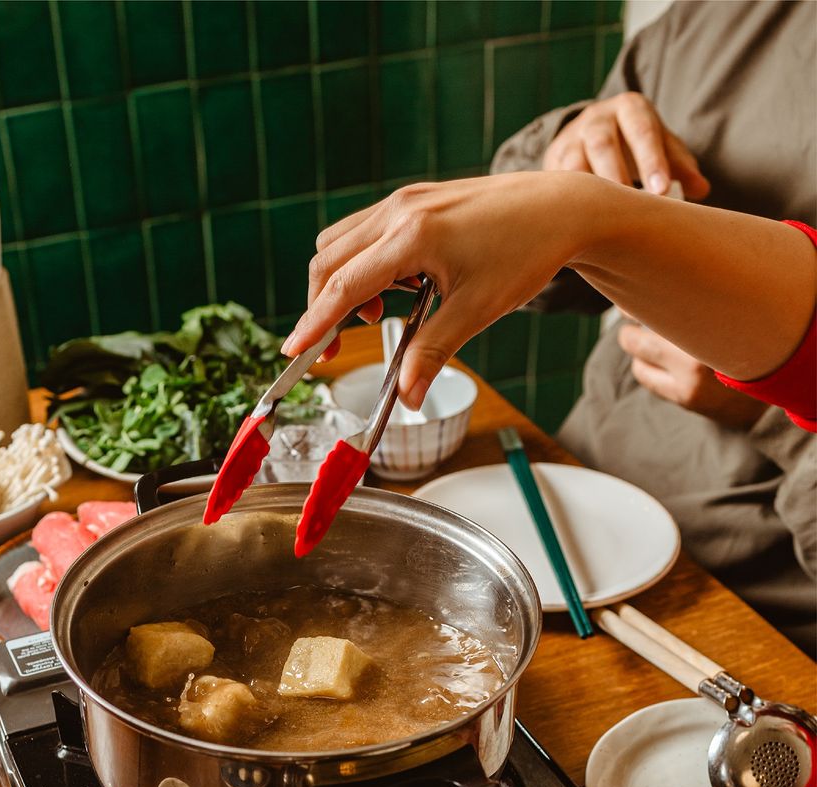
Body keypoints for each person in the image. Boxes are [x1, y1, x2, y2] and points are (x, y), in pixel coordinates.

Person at [286, 0, 817, 654]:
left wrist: (767, 405)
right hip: (561, 492)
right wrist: (568, 153)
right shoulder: (716, 18)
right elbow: (554, 258)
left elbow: (587, 223)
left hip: (748, 612)